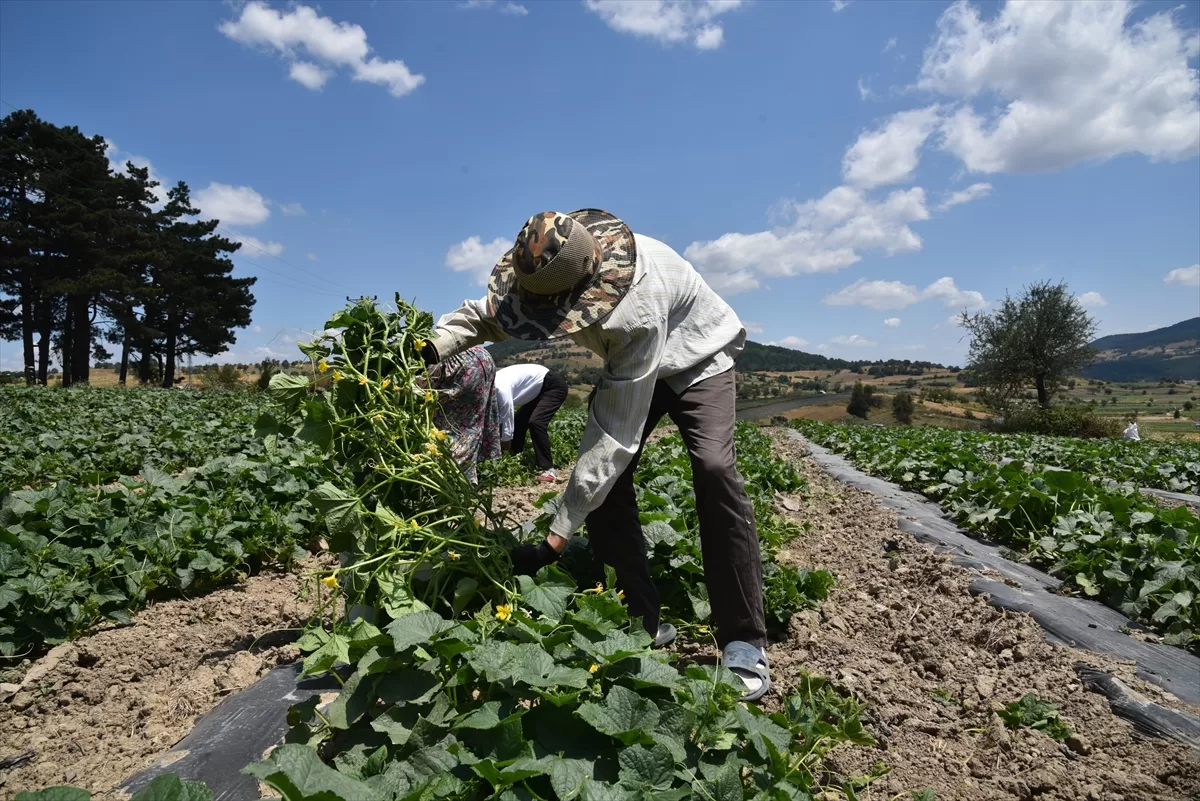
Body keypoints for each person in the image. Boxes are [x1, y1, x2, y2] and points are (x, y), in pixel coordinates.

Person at [423, 209, 769, 702]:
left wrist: (556, 539)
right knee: (610, 487)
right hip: (635, 359)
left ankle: (744, 638)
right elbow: (483, 315)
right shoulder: (546, 269)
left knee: (713, 468)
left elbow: (613, 438)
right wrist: (426, 349)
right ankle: (640, 618)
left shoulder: (636, 306)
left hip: (698, 356)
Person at [427, 345, 503, 485]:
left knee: (447, 431)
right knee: (470, 428)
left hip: (454, 360)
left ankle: (447, 484)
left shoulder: (439, 353)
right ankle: (464, 484)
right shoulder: (478, 351)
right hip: (481, 357)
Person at [495, 363, 569, 483]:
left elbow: (507, 421)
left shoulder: (500, 388)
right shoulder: (491, 384)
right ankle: (515, 456)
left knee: (536, 422)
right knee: (519, 421)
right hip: (537, 389)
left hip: (553, 386)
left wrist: (504, 447)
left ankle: (549, 470)